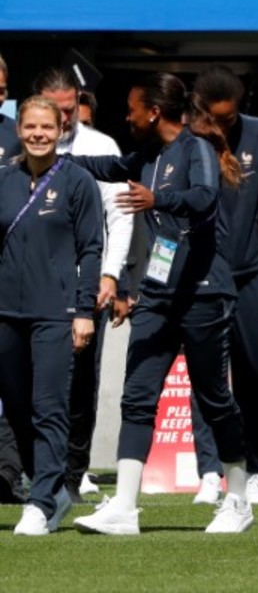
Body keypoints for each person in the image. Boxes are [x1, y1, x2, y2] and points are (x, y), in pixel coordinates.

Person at [71, 73, 253, 535]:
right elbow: (112, 167)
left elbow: (204, 198)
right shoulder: (148, 155)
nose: (126, 116)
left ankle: (237, 499)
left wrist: (159, 199)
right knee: (137, 395)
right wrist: (57, 157)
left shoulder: (197, 149)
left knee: (214, 398)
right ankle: (124, 507)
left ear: (154, 112)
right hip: (156, 293)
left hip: (203, 293)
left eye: (132, 108)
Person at [0, 96, 103, 534]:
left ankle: (41, 502)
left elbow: (91, 249)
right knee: (16, 407)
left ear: (61, 130)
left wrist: (84, 311)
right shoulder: (4, 178)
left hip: (56, 313)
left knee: (49, 406)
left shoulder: (78, 181)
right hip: (5, 312)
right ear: (18, 129)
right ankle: (53, 487)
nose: (38, 134)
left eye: (46, 127)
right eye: (30, 127)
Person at [32, 69, 134, 505]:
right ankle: (30, 469)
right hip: (32, 283)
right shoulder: (25, 146)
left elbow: (121, 215)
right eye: (55, 109)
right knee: (29, 381)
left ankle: (74, 474)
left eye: (70, 108)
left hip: (86, 284)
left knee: (79, 384)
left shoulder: (101, 146)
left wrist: (111, 275)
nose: (64, 117)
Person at [186, 66, 258, 506]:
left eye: (230, 118)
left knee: (255, 372)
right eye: (215, 118)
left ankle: (256, 467)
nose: (223, 126)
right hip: (203, 272)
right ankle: (210, 470)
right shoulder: (187, 140)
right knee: (206, 374)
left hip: (255, 269)